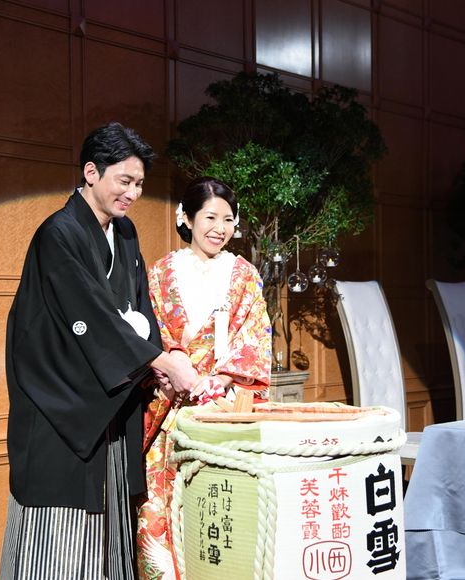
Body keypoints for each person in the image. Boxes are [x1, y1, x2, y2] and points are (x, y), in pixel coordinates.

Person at [0, 122, 198, 580]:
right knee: (59, 541)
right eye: (124, 180)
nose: (133, 193)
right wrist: (158, 361)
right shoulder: (58, 233)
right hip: (60, 404)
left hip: (109, 400)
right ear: (91, 172)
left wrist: (153, 362)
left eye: (139, 184)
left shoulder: (124, 233)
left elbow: (139, 308)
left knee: (109, 533)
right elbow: (90, 314)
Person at [136, 177, 272, 579]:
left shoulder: (244, 274)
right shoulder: (161, 272)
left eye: (228, 219)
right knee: (158, 509)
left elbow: (254, 336)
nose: (219, 228)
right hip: (168, 409)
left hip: (220, 409)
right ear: (188, 218)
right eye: (210, 217)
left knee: (221, 511)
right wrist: (169, 367)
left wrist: (223, 379)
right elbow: (147, 330)